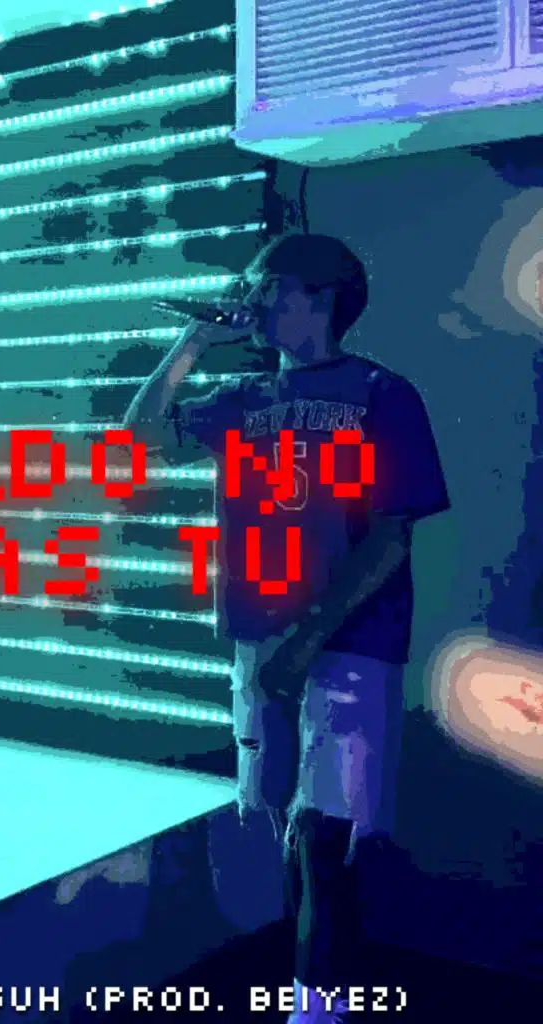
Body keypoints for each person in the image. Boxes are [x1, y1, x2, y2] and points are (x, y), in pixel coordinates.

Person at [123, 233, 450, 1022]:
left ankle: (319, 1011)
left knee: (326, 839)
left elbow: (391, 536)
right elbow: (138, 438)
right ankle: (312, 995)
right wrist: (193, 341)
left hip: (350, 647)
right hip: (259, 641)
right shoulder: (244, 398)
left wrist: (305, 644)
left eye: (265, 286)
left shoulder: (381, 394)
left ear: (319, 296)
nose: (250, 300)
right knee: (283, 829)